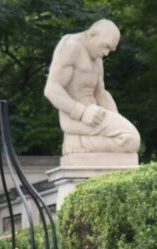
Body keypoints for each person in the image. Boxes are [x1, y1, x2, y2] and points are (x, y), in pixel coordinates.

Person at [44, 19, 141, 155]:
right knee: (131, 139)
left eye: (110, 50)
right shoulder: (71, 46)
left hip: (95, 117)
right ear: (92, 34)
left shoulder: (96, 57)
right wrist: (82, 112)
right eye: (106, 46)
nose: (106, 53)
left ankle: (79, 143)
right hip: (78, 119)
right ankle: (77, 143)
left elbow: (101, 93)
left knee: (129, 141)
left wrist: (116, 118)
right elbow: (52, 89)